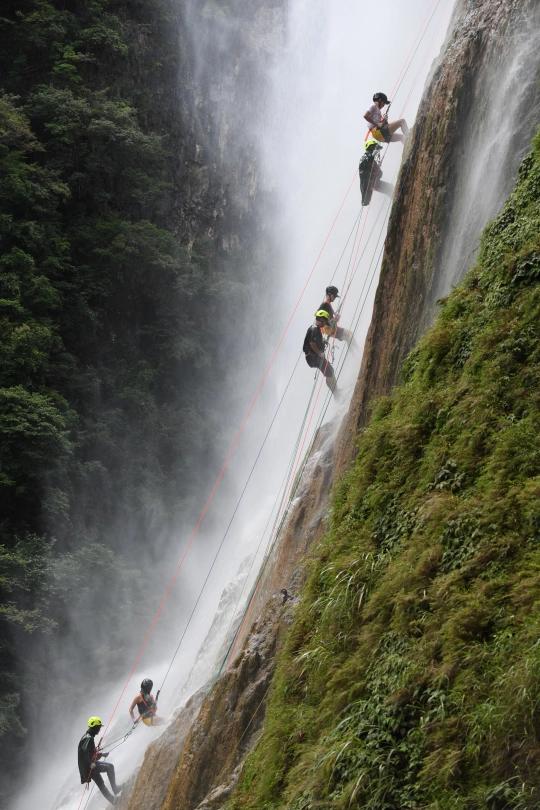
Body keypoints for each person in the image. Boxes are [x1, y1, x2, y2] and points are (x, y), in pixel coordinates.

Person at [78, 716, 121, 805]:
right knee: (109, 768)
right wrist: (91, 764)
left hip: (88, 765)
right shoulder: (88, 738)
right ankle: (115, 791)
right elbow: (85, 753)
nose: (99, 729)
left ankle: (113, 798)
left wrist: (102, 754)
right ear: (95, 727)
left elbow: (90, 753)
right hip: (89, 767)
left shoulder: (88, 736)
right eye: (98, 727)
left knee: (102, 781)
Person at [302, 310, 338, 394]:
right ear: (321, 319)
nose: (325, 324)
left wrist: (322, 342)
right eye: (324, 321)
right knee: (329, 372)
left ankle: (336, 391)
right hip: (313, 357)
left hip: (313, 357)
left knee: (330, 371)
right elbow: (312, 343)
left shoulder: (315, 328)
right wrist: (319, 353)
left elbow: (314, 341)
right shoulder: (314, 329)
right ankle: (336, 393)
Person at [358, 137, 394, 206]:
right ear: (370, 147)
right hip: (371, 183)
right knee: (390, 189)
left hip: (373, 183)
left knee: (390, 189)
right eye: (373, 147)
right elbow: (369, 159)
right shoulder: (366, 158)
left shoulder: (368, 159)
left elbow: (380, 173)